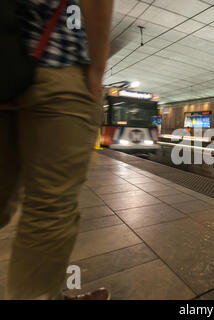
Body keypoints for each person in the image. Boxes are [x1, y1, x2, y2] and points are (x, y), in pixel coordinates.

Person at [0, 0, 114, 300]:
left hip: (4, 60)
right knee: (49, 207)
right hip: (55, 59)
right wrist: (97, 70)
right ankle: (38, 292)